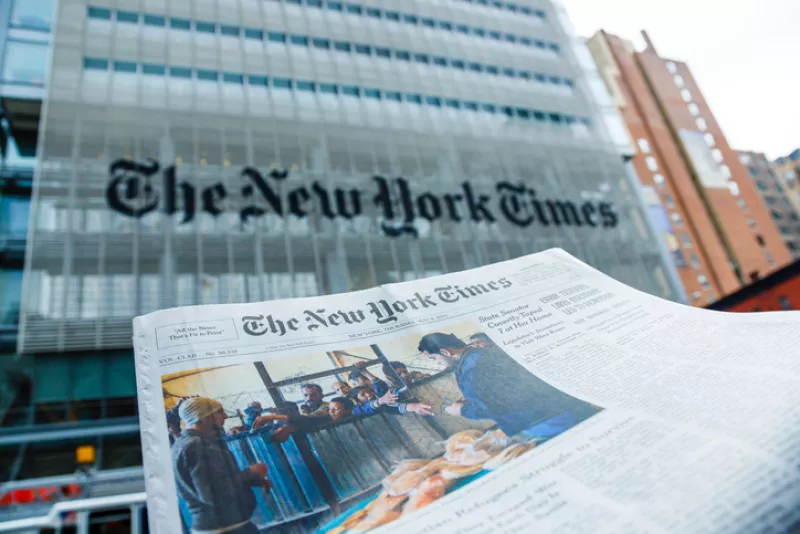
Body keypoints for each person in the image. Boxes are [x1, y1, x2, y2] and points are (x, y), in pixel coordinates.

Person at [417, 333, 600, 439]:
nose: (437, 363)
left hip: (546, 421)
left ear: (445, 351)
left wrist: (462, 411)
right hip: (547, 416)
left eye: (434, 358)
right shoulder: (475, 358)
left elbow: (500, 405)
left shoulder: (477, 366)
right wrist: (472, 400)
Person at [172, 397, 271, 534]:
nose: (225, 416)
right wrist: (250, 473)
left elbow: (212, 483)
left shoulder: (186, 443)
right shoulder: (197, 445)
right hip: (225, 529)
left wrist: (251, 479)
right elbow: (213, 494)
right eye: (219, 412)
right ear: (203, 417)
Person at [350, 386, 434, 417]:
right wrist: (381, 400)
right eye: (363, 395)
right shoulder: (357, 410)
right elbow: (367, 407)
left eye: (369, 391)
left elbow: (396, 407)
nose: (368, 394)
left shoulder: (382, 401)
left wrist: (415, 407)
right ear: (357, 401)